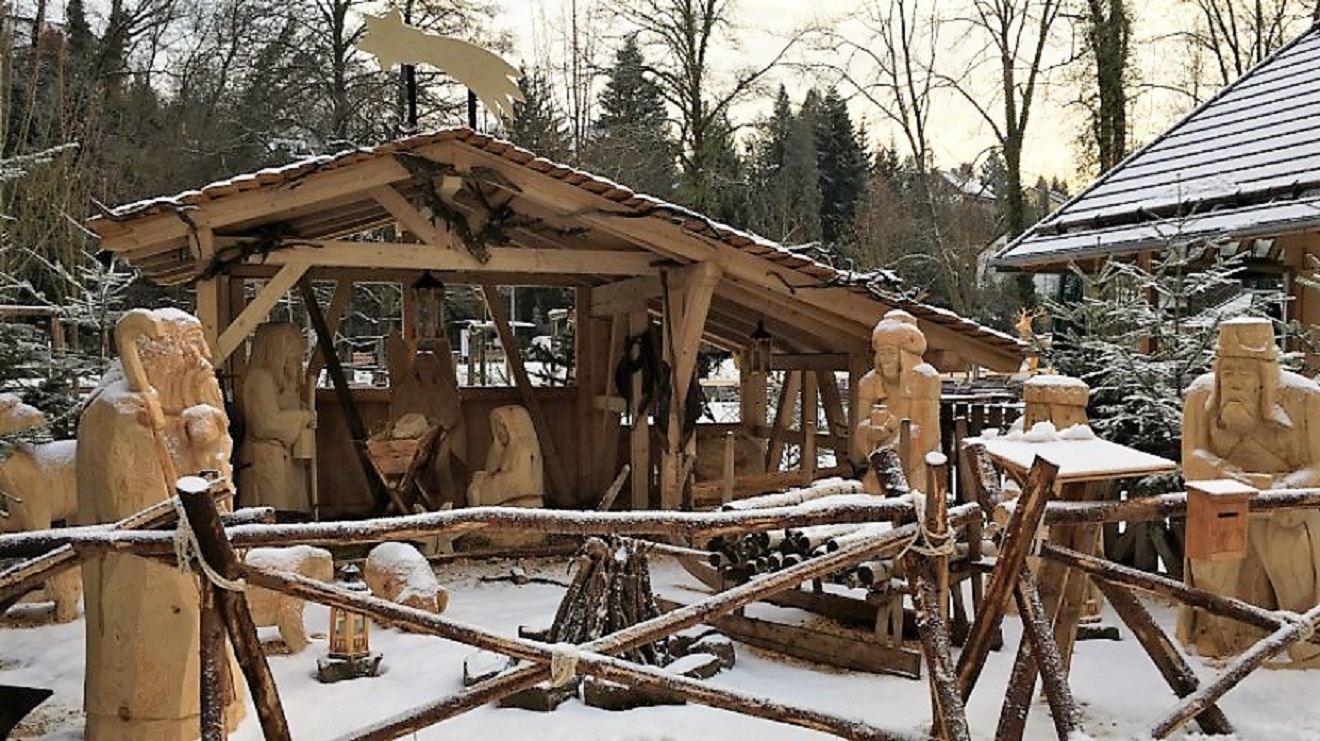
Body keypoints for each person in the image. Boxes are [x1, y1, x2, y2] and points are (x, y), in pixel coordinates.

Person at [78, 309, 245, 739]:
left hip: (196, 570)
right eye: (187, 352)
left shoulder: (200, 410)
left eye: (200, 350)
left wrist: (209, 447)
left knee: (198, 642)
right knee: (148, 652)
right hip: (140, 577)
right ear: (156, 354)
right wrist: (134, 431)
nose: (200, 362)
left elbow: (221, 491)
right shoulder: (113, 411)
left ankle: (213, 712)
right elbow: (124, 498)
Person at [1179, 317, 1320, 664]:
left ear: (1265, 379)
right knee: (1214, 548)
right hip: (1224, 500)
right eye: (1228, 375)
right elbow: (1192, 456)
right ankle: (1219, 631)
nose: (1235, 385)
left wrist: (1281, 488)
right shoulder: (1201, 396)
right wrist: (1228, 475)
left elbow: (1318, 466)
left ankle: (1302, 635)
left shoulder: (1304, 399)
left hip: (1289, 507)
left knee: (1289, 548)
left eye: (1245, 376)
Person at [854, 310, 942, 493]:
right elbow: (860, 426)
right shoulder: (869, 382)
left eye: (891, 353)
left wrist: (891, 453)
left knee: (917, 499)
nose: (885, 360)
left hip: (919, 460)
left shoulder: (924, 378)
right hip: (881, 460)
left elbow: (927, 433)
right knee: (874, 489)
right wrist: (869, 432)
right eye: (881, 354)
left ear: (905, 355)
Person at [242, 322, 316, 513]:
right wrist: (302, 417)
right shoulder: (260, 379)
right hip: (267, 461)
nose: (297, 362)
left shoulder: (285, 383)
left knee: (293, 514)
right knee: (274, 516)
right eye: (292, 357)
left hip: (287, 461)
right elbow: (266, 425)